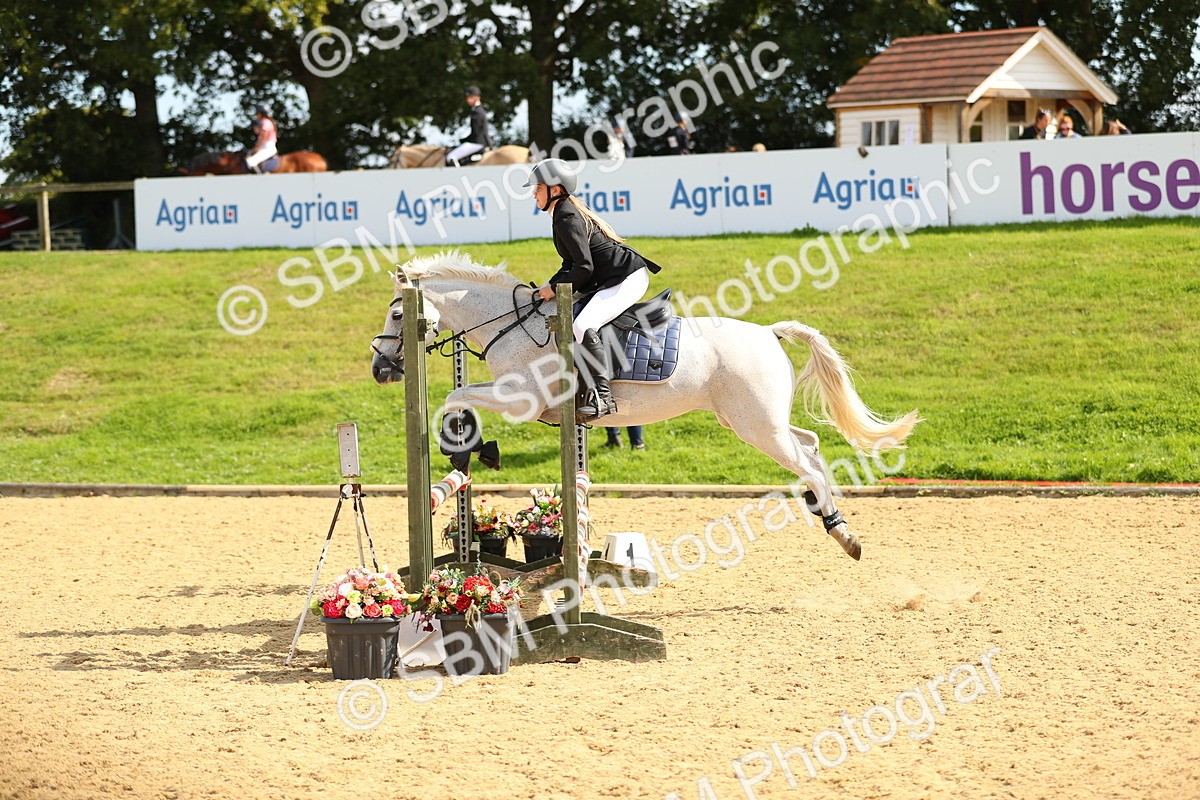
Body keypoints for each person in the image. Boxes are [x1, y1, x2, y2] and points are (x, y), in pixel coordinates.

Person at [525, 158, 662, 420]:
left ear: (555, 190)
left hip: (626, 278)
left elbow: (584, 268)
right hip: (612, 278)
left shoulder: (566, 216)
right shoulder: (562, 212)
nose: (533, 193)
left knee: (581, 325)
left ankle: (603, 397)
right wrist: (547, 287)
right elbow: (571, 264)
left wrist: (552, 289)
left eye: (538, 188)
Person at [446, 86, 492, 166]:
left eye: (470, 97)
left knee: (451, 157)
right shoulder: (480, 109)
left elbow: (476, 132)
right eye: (467, 97)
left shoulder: (477, 112)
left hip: (478, 143)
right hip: (481, 142)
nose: (468, 100)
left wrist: (464, 140)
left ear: (477, 97)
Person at [245, 104, 278, 173]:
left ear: (260, 113)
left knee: (250, 162)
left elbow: (264, 136)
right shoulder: (265, 122)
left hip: (267, 147)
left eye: (257, 113)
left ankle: (259, 180)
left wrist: (258, 147)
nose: (256, 115)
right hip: (265, 146)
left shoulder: (265, 122)